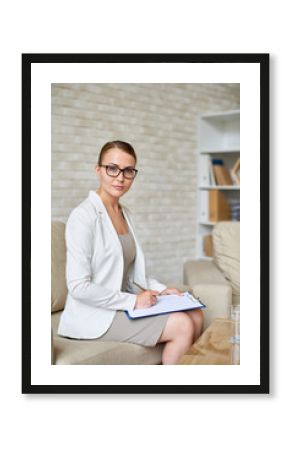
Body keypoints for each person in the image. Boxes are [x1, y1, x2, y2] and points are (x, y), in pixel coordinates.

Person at [58, 140, 204, 364]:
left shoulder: (124, 212)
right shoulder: (83, 216)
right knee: (182, 324)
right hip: (94, 315)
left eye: (128, 171)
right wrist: (133, 302)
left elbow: (133, 274)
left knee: (195, 313)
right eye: (112, 168)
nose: (120, 177)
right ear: (98, 170)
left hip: (119, 304)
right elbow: (78, 287)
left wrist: (162, 290)